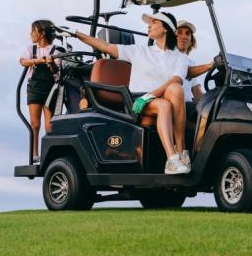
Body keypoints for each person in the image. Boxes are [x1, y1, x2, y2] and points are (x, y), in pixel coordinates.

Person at [72, 11, 191, 174]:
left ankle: (181, 152)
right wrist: (76, 34)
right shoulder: (139, 51)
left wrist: (151, 95)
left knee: (176, 89)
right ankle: (171, 159)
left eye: (154, 22)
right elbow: (106, 47)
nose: (149, 25)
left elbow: (177, 80)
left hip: (156, 97)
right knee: (164, 105)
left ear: (166, 28)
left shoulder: (181, 57)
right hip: (137, 100)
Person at [19, 19, 63, 163]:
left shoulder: (55, 50)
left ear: (41, 33)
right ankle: (34, 153)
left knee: (49, 124)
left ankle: (48, 153)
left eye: (33, 31)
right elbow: (23, 61)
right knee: (35, 123)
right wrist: (39, 61)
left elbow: (56, 70)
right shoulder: (31, 49)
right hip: (35, 87)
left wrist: (50, 63)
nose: (31, 34)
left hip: (50, 87)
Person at [175, 20, 214, 103]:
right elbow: (186, 72)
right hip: (175, 105)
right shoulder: (169, 57)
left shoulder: (191, 63)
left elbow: (197, 93)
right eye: (180, 32)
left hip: (188, 105)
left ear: (191, 40)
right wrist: (210, 65)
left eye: (187, 33)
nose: (184, 36)